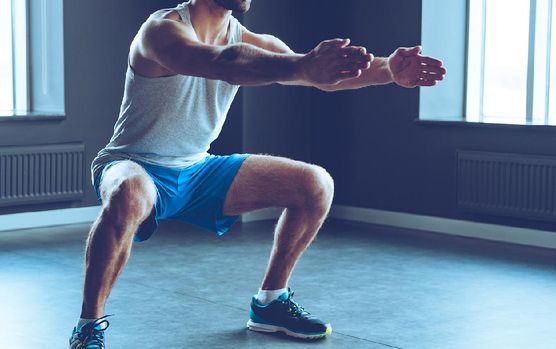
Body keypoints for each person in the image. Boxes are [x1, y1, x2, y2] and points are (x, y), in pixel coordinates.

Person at [69, 0, 446, 347]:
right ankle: (89, 326)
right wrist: (301, 65)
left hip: (197, 169)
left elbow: (315, 76)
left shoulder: (251, 39)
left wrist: (387, 71)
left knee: (315, 184)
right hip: (134, 163)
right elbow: (223, 62)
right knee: (130, 192)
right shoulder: (162, 30)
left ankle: (270, 302)